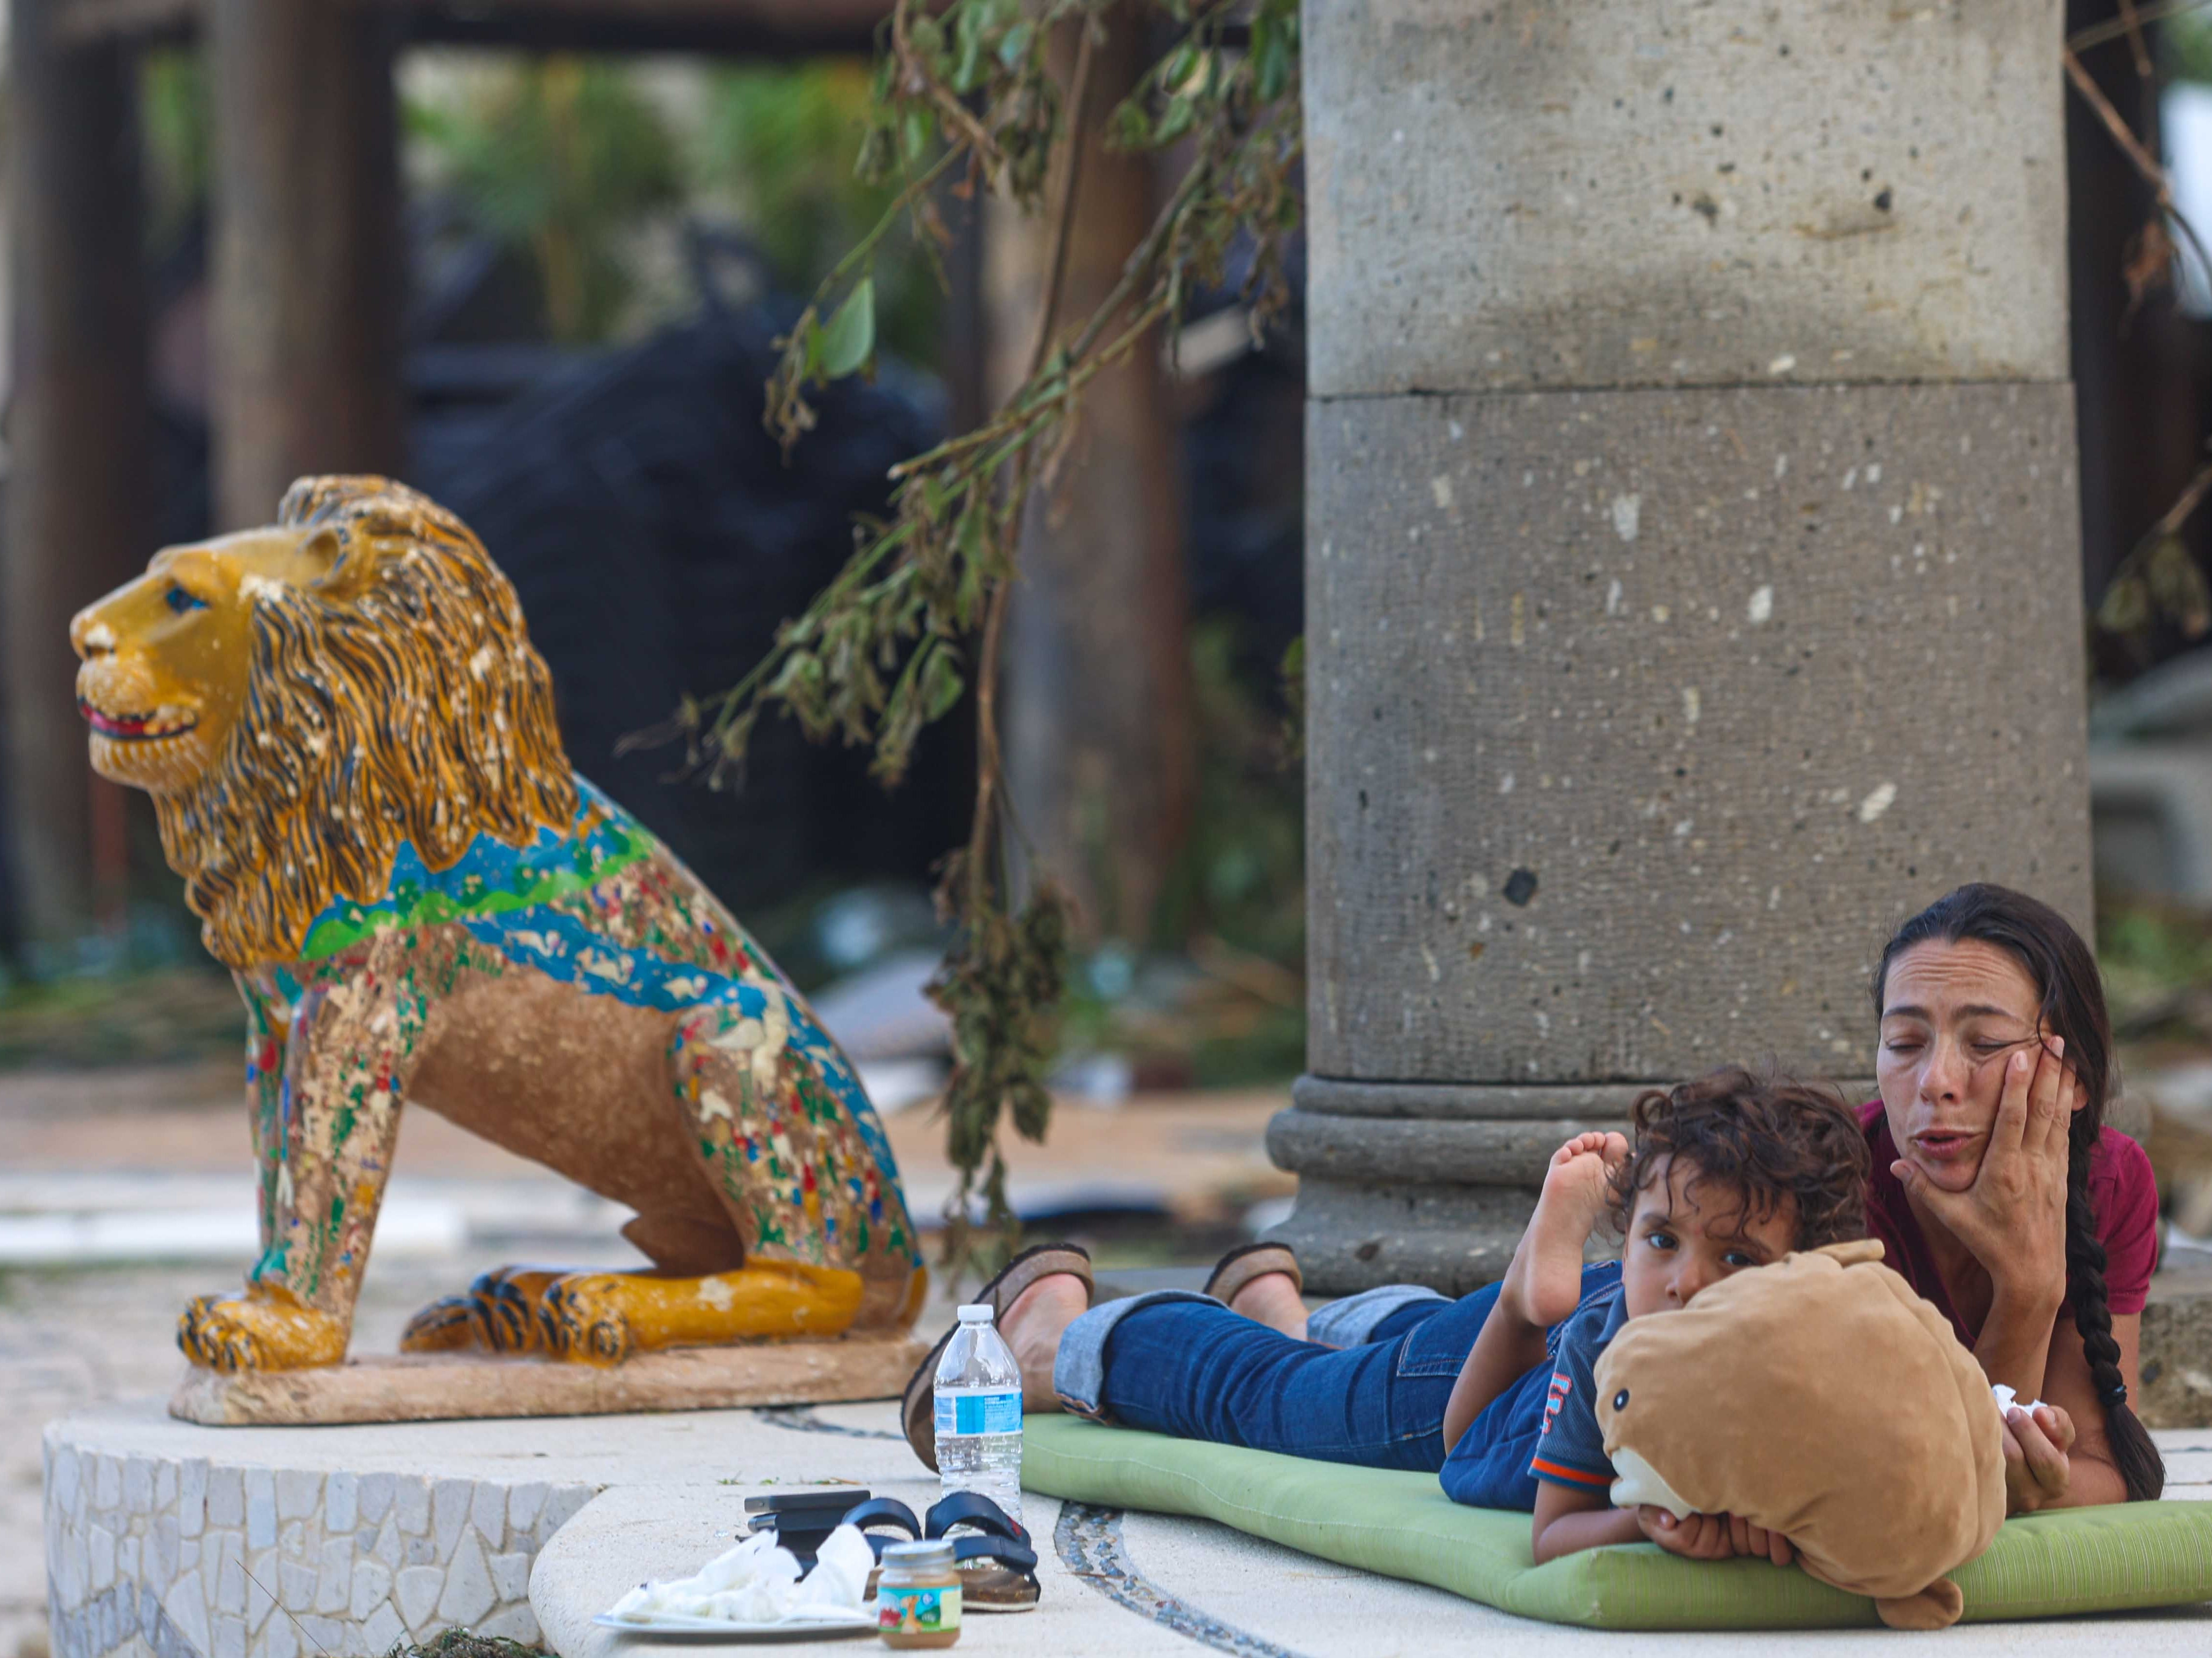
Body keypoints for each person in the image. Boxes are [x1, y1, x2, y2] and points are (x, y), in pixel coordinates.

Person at [966, 1069, 1871, 1565]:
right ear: (1630, 1226)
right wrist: (1651, 1523)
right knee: (1277, 1400)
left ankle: (1290, 1305)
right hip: (1488, 1389)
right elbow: (1491, 1465)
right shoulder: (1616, 1352)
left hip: (1492, 1332)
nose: (1684, 1283)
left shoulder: (1815, 1347)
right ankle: (1063, 1334)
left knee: (1383, 1363)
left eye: (1737, 1259)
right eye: (1663, 1240)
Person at [1861, 882, 2163, 1511]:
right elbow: (1918, 1483)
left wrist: (2031, 1483)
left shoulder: (2110, 1181)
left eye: (1987, 1043)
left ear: (2072, 1073)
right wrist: (2027, 1289)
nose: (1937, 1082)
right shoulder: (1826, 1184)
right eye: (1906, 1043)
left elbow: (2105, 1466)